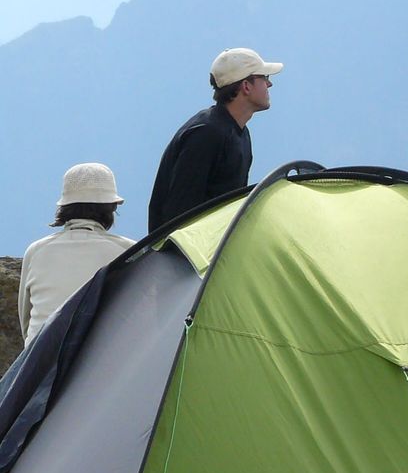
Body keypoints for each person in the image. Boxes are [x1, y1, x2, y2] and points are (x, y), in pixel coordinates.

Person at [148, 47, 283, 231]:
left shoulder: (240, 133)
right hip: (185, 255)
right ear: (246, 86)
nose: (269, 85)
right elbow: (179, 214)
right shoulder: (206, 134)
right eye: (264, 78)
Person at [19, 163, 135, 344]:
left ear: (64, 208)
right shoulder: (129, 252)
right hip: (103, 364)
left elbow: (26, 326)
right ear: (111, 208)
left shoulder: (36, 251)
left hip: (39, 366)